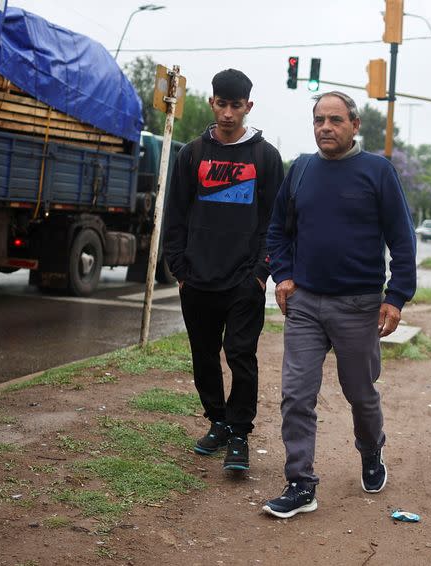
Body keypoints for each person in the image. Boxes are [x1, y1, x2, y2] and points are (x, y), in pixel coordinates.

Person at [262, 91, 417, 518]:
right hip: (306, 303)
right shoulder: (301, 171)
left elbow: (402, 240)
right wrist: (285, 275)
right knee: (296, 395)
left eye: (334, 120)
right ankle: (300, 483)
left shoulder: (378, 171)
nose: (325, 128)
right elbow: (277, 230)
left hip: (359, 305)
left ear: (354, 124)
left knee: (360, 393)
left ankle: (371, 450)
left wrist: (396, 296)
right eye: (318, 120)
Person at [163, 69, 283, 472]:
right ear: (212, 102)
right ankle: (217, 421)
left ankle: (239, 435)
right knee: (204, 355)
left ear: (248, 107)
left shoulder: (265, 157)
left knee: (241, 355)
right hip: (197, 277)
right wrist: (179, 266)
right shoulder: (192, 154)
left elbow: (275, 221)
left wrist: (260, 271)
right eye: (222, 103)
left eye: (236, 105)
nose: (228, 113)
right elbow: (175, 214)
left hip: (243, 280)